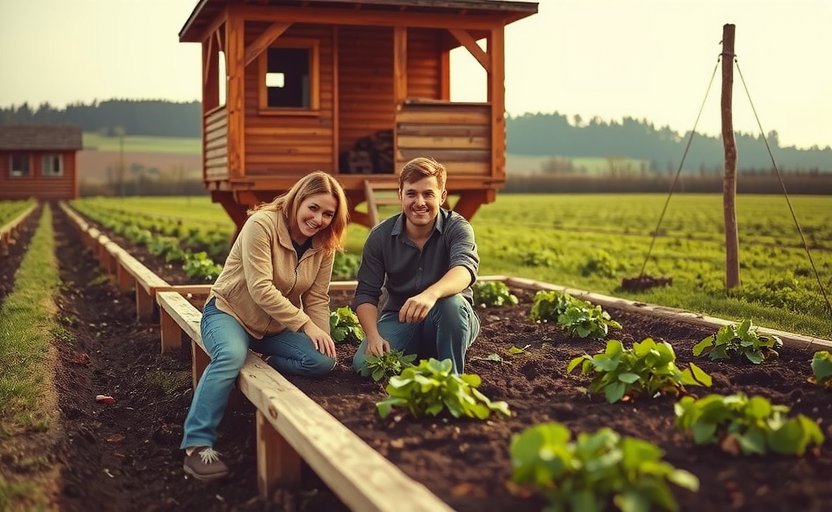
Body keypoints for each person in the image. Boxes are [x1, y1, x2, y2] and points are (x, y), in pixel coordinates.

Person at [181, 171, 348, 482]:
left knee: (323, 359)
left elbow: (317, 298)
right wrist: (305, 325)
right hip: (230, 314)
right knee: (231, 356)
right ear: (299, 198)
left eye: (328, 214)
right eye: (313, 208)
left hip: (274, 328)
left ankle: (267, 357)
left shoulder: (323, 244)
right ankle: (196, 445)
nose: (319, 219)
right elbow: (261, 288)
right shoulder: (262, 224)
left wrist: (321, 333)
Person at [352, 157, 480, 376]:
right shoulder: (380, 236)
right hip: (401, 318)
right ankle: (420, 363)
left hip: (449, 318)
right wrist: (373, 336)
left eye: (428, 194)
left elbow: (464, 269)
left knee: (451, 304)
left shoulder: (457, 227)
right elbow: (365, 293)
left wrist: (430, 295)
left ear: (442, 196)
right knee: (365, 366)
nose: (419, 202)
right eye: (411, 193)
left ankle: (451, 380)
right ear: (400, 195)